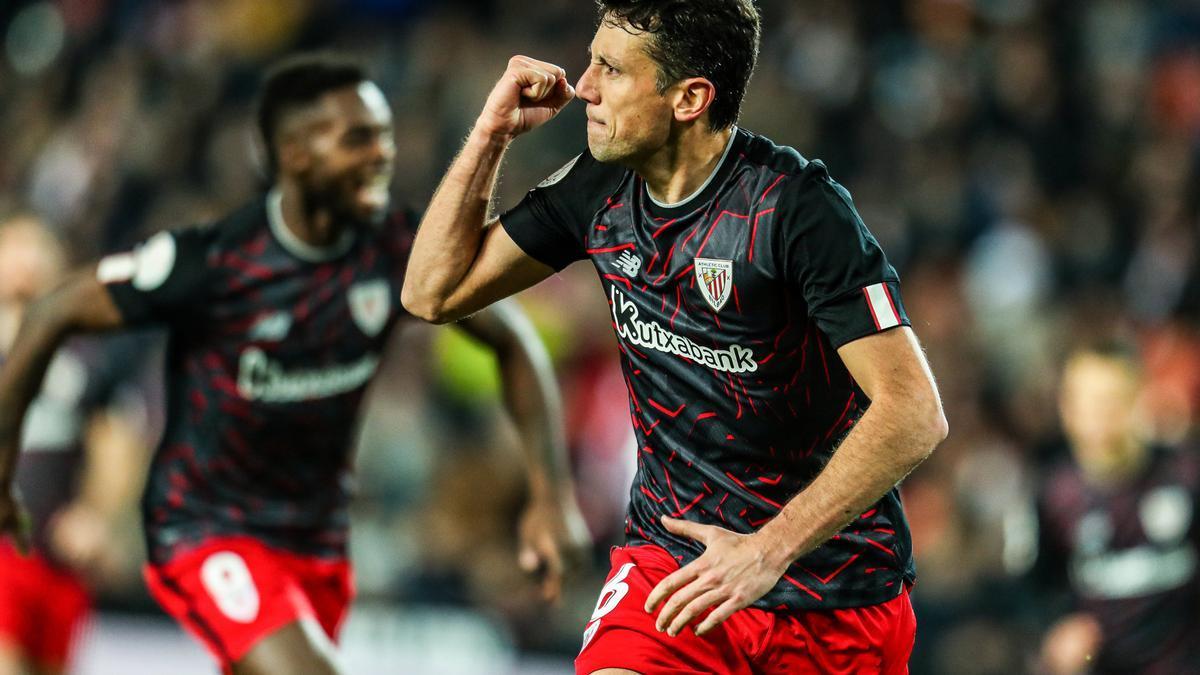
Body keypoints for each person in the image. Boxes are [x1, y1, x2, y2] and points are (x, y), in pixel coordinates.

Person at [400, 0, 948, 672]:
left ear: (689, 97)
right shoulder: (598, 188)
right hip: (672, 573)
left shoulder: (795, 211)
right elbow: (432, 292)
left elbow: (915, 411)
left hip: (834, 594)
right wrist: (490, 134)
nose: (584, 87)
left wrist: (766, 550)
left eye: (611, 69)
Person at [0, 54, 587, 675]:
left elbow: (514, 341)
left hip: (315, 544)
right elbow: (51, 315)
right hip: (207, 531)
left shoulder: (393, 253)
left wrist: (552, 496)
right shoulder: (215, 260)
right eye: (359, 138)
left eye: (384, 137)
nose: (383, 154)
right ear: (296, 155)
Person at [0, 215, 148, 675]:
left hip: (57, 559)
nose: (27, 264)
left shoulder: (87, 354)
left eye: (39, 250)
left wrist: (99, 515)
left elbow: (118, 437)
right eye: (15, 249)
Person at [1028, 344, 1200, 674]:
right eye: (1090, 402)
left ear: (1141, 400)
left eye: (1113, 400)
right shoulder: (1052, 496)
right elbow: (1033, 589)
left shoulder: (1187, 476)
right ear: (1068, 408)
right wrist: (1057, 627)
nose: (1101, 415)